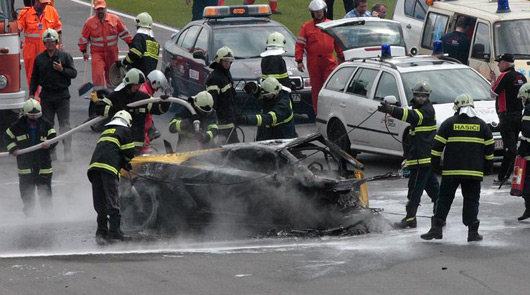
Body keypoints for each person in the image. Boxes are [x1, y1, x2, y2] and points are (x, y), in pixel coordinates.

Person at [421, 93, 494, 242]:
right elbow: (490, 150)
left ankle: (436, 229)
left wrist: (435, 165)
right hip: (473, 172)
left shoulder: (448, 123)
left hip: (451, 171)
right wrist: (487, 168)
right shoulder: (482, 125)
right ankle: (472, 232)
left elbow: (437, 147)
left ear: (457, 107)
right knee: (472, 200)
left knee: (444, 199)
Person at [378, 81, 440, 229]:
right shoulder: (419, 107)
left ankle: (410, 219)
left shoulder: (427, 110)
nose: (420, 98)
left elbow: (411, 116)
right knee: (434, 190)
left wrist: (391, 110)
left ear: (428, 96)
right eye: (418, 95)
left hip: (422, 159)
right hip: (421, 157)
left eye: (423, 96)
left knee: (414, 189)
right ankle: (439, 217)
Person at [95, 68, 170, 155]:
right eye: (135, 85)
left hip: (137, 145)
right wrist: (118, 110)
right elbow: (99, 107)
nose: (137, 87)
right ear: (129, 83)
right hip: (120, 143)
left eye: (139, 85)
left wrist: (165, 103)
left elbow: (158, 109)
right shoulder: (117, 96)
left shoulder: (142, 98)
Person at [29, 28, 77, 162]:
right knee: (47, 125)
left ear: (56, 42)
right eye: (47, 41)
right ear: (44, 43)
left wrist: (62, 70)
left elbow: (73, 73)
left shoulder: (65, 56)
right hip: (46, 96)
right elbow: (34, 77)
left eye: (52, 41)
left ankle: (67, 150)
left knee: (65, 125)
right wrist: (32, 94)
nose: (50, 44)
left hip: (62, 96)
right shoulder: (39, 58)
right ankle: (51, 150)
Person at [3, 99, 57, 216]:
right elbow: (7, 137)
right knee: (27, 195)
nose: (35, 119)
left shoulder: (45, 124)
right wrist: (13, 149)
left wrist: (50, 144)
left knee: (46, 194)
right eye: (32, 116)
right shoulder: (17, 127)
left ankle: (48, 217)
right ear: (26, 115)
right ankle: (29, 216)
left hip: (43, 166)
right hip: (25, 167)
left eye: (37, 116)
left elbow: (54, 137)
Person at [87, 110, 135, 242]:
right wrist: (125, 162)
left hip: (94, 168)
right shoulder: (125, 131)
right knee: (112, 199)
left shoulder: (106, 131)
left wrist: (122, 162)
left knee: (100, 201)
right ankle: (114, 231)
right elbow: (129, 152)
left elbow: (110, 150)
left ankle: (101, 232)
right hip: (108, 169)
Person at [295, 0, 344, 115]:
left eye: (320, 11)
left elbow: (338, 44)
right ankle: (318, 113)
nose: (319, 14)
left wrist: (342, 57)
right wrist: (299, 60)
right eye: (316, 12)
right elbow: (300, 44)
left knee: (330, 88)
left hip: (329, 61)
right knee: (316, 89)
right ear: (312, 13)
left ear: (324, 11)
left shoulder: (331, 25)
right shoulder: (306, 27)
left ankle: (331, 112)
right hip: (314, 62)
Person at [78, 0, 133, 91]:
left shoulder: (115, 20)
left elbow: (125, 33)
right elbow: (83, 39)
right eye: (98, 9)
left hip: (112, 53)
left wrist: (131, 44)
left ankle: (112, 95)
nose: (100, 11)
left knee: (113, 76)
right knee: (97, 75)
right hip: (97, 53)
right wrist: (84, 51)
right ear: (95, 10)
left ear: (105, 8)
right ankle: (100, 95)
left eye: (102, 9)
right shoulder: (89, 23)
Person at [490, 53, 527, 185]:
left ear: (505, 63)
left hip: (507, 117)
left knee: (509, 148)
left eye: (499, 62)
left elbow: (493, 93)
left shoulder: (504, 76)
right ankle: (510, 174)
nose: (498, 65)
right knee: (514, 146)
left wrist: (493, 81)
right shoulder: (521, 77)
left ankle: (504, 176)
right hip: (519, 115)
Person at [17, 0, 62, 88]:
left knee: (52, 74)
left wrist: (60, 45)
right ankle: (34, 98)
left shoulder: (51, 11)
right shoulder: (26, 12)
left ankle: (49, 96)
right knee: (31, 74)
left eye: (46, 2)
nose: (45, 5)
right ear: (36, 1)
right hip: (31, 48)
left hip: (49, 48)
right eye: (43, 3)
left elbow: (58, 29)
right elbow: (17, 28)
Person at [206, 46, 239, 144]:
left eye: (229, 61)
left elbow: (231, 97)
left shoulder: (226, 75)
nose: (227, 64)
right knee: (230, 148)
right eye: (225, 61)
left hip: (229, 119)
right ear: (219, 61)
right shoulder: (215, 78)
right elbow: (213, 102)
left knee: (232, 147)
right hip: (222, 122)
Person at [115, 12, 159, 77]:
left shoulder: (139, 37)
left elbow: (135, 54)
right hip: (150, 77)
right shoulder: (155, 43)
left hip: (138, 76)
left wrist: (122, 62)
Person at [139, 70, 169, 154]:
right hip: (140, 137)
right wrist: (144, 138)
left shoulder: (145, 91)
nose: (157, 91)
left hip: (142, 135)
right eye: (158, 88)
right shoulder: (144, 94)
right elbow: (140, 120)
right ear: (154, 82)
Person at [515, 83, 530, 221]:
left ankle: (529, 208)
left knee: (526, 184)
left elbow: (526, 134)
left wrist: (521, 151)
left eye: (523, 98)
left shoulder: (528, 110)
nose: (523, 100)